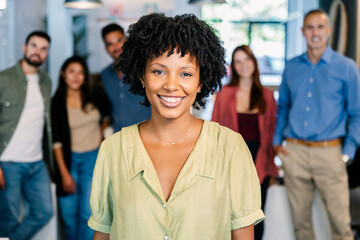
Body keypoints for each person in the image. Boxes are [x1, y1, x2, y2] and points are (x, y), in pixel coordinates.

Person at [88, 13, 264, 240]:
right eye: (159, 71)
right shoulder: (112, 150)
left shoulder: (230, 148)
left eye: (186, 73)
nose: (171, 85)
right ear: (142, 76)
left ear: (201, 81)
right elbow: (102, 232)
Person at [273, 9, 360, 240]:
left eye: (320, 27)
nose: (315, 32)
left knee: (340, 226)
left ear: (328, 30)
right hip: (295, 152)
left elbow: (356, 113)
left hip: (330, 153)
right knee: (301, 226)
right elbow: (283, 108)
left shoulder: (347, 68)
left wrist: (346, 153)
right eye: (310, 27)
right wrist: (276, 143)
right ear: (302, 31)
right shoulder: (291, 67)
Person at [212, 45, 278, 240]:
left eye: (246, 59)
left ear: (254, 63)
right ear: (233, 66)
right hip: (231, 162)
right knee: (230, 217)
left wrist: (272, 168)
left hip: (259, 162)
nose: (243, 65)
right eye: (238, 61)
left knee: (256, 216)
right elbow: (214, 129)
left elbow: (271, 134)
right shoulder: (224, 94)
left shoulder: (267, 96)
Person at [0, 31, 54, 240]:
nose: (37, 51)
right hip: (8, 163)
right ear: (24, 48)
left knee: (44, 212)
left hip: (37, 163)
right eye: (34, 46)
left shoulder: (45, 81)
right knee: (9, 219)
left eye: (43, 48)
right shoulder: (4, 79)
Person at [51, 56, 110, 240]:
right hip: (68, 162)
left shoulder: (95, 95)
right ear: (63, 74)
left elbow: (107, 115)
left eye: (81, 72)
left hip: (92, 159)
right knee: (69, 216)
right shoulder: (57, 103)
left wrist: (101, 134)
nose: (76, 77)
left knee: (87, 214)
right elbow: (57, 142)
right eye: (71, 71)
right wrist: (64, 174)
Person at [101, 23, 151, 132]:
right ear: (106, 48)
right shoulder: (105, 75)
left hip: (146, 135)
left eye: (119, 41)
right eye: (110, 44)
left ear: (126, 41)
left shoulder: (143, 69)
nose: (116, 47)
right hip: (119, 137)